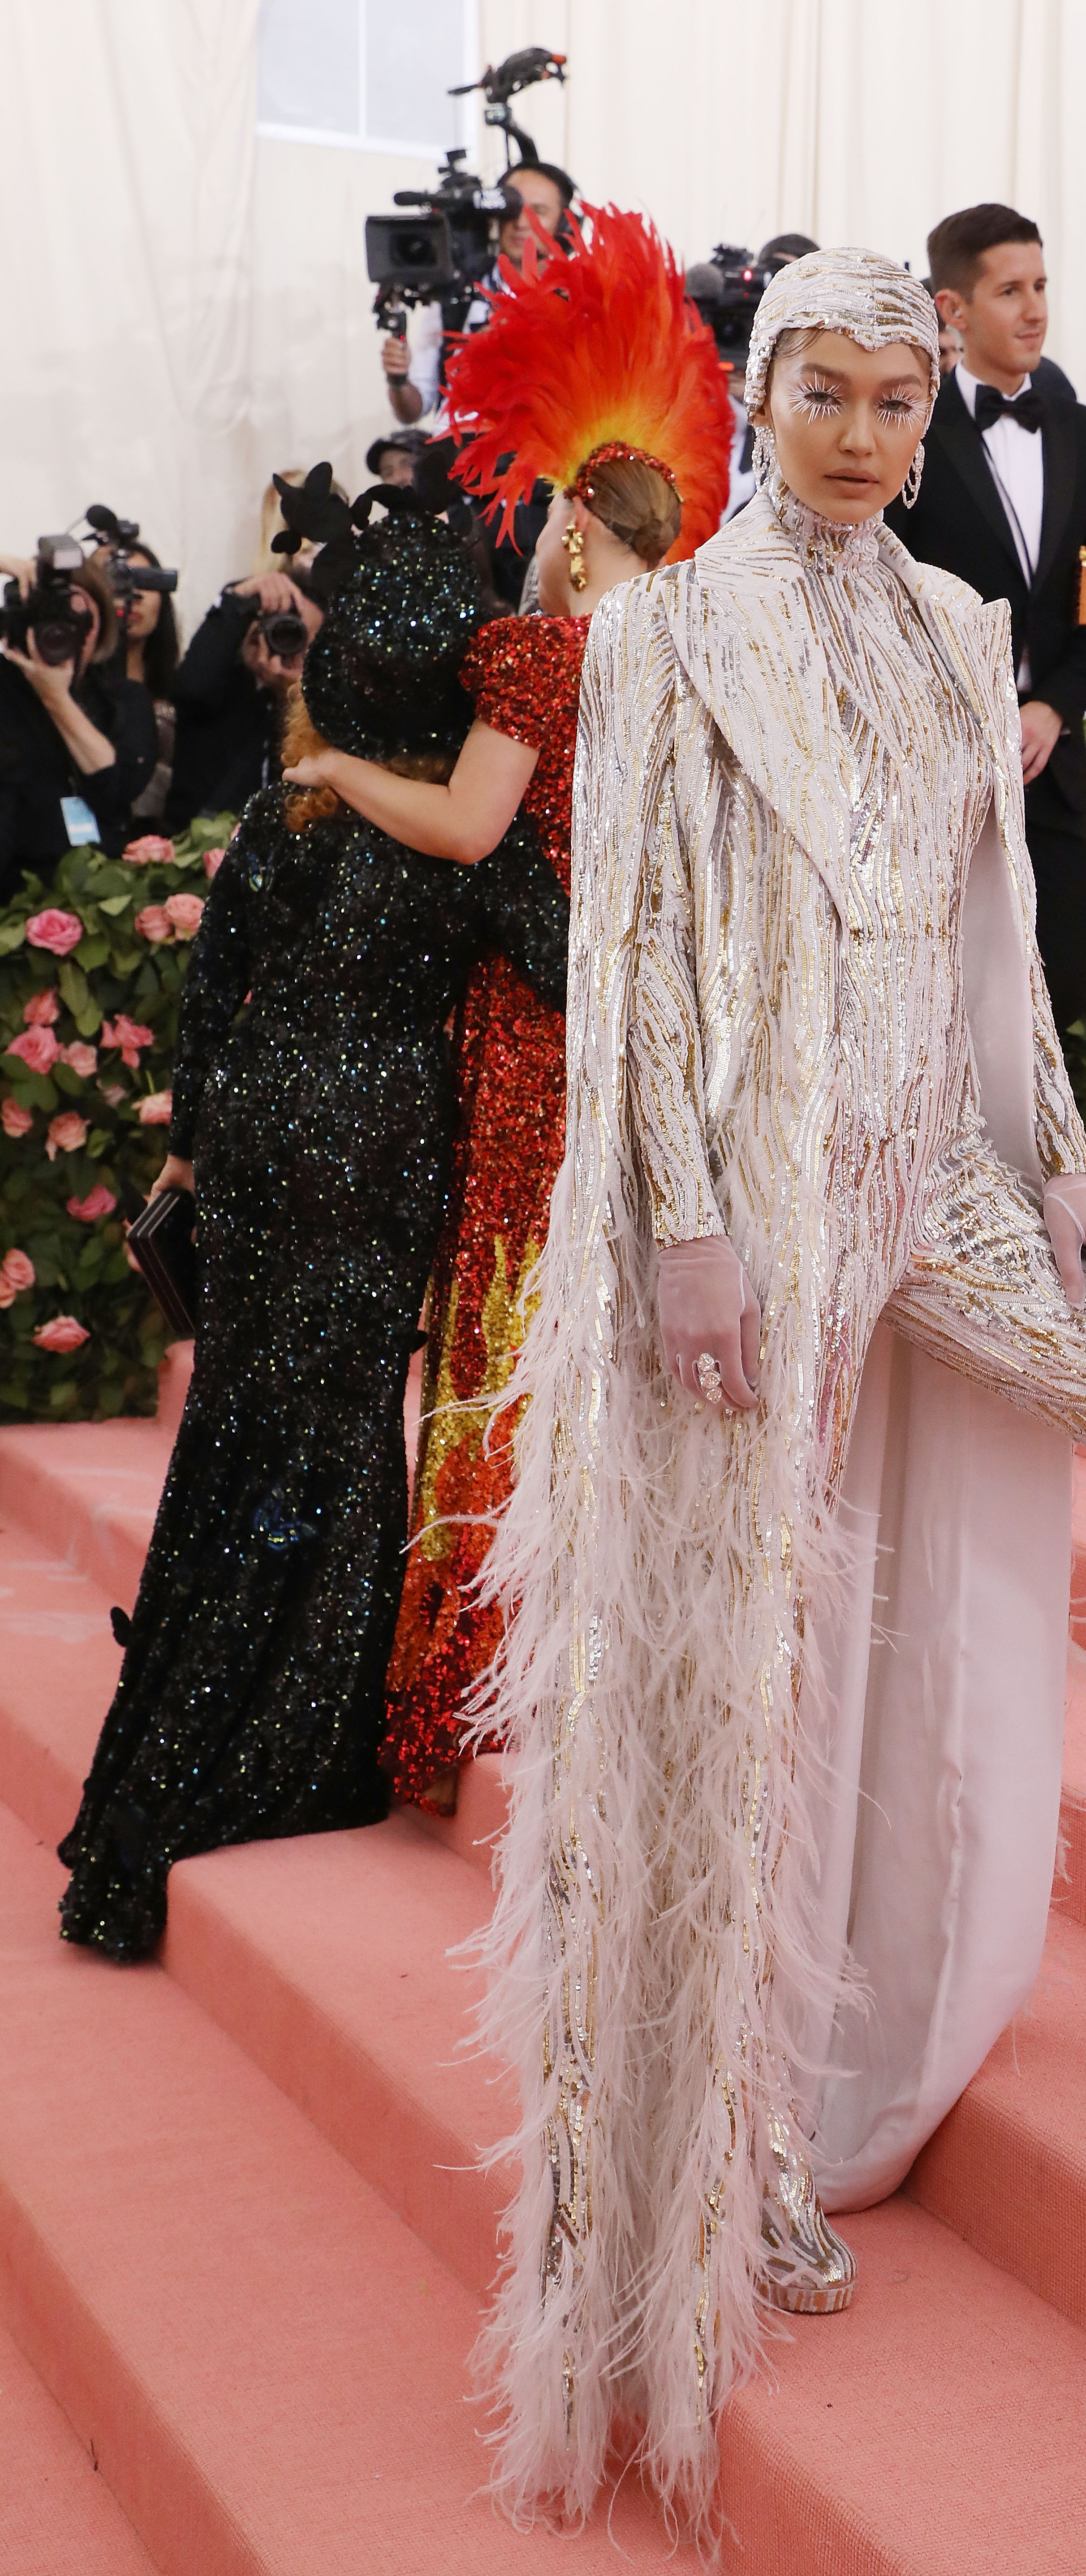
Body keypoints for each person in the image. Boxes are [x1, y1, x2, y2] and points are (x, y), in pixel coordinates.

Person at [473, 246, 1086, 2541]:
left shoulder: (963, 632)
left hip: (956, 1194)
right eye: (828, 394)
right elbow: (626, 982)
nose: (871, 437)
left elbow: (999, 949)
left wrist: (1076, 1179)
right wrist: (686, 1221)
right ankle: (737, 2150)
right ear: (760, 402)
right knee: (758, 1666)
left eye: (903, 401)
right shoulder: (664, 636)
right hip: (763, 1217)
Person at [56, 476, 570, 1962]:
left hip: (272, 1132)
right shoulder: (479, 838)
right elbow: (564, 962)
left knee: (239, 1426)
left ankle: (164, 1767)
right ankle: (288, 1750)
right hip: (385, 1145)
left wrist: (205, 1143)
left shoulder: (294, 806)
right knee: (343, 1443)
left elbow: (215, 991)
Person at [283, 209, 732, 1819]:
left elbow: (472, 831)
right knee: (613, 1338)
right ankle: (610, 1655)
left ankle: (482, 1664)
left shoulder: (539, 658)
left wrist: (348, 773)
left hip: (532, 1043)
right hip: (654, 1034)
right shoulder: (687, 669)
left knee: (504, 1328)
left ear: (572, 515)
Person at [885, 202, 1086, 1033]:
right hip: (938, 763)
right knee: (942, 997)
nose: (1034, 309)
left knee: (1062, 979)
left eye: (1040, 285)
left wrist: (1055, 703)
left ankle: (1039, 1166)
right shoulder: (907, 436)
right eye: (1008, 291)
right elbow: (883, 599)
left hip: (1050, 760)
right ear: (951, 310)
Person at [0, 555, 157, 895]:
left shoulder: (124, 700)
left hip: (99, 901)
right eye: (52, 617)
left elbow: (116, 788)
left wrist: (56, 697)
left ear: (101, 626)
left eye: (79, 617)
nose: (65, 630)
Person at [382, 160, 576, 430]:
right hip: (453, 458)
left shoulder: (579, 299)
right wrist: (398, 381)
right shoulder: (456, 291)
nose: (521, 222)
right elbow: (414, 410)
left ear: (567, 225)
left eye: (538, 211)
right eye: (512, 208)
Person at [164, 566, 323, 832]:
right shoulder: (216, 691)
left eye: (299, 635)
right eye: (278, 628)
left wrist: (295, 698)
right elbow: (192, 688)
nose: (286, 644)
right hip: (199, 855)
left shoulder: (325, 713)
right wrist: (236, 599)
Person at [102, 538, 181, 821]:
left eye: (146, 582)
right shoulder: (77, 684)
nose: (134, 595)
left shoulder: (184, 684)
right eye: (120, 581)